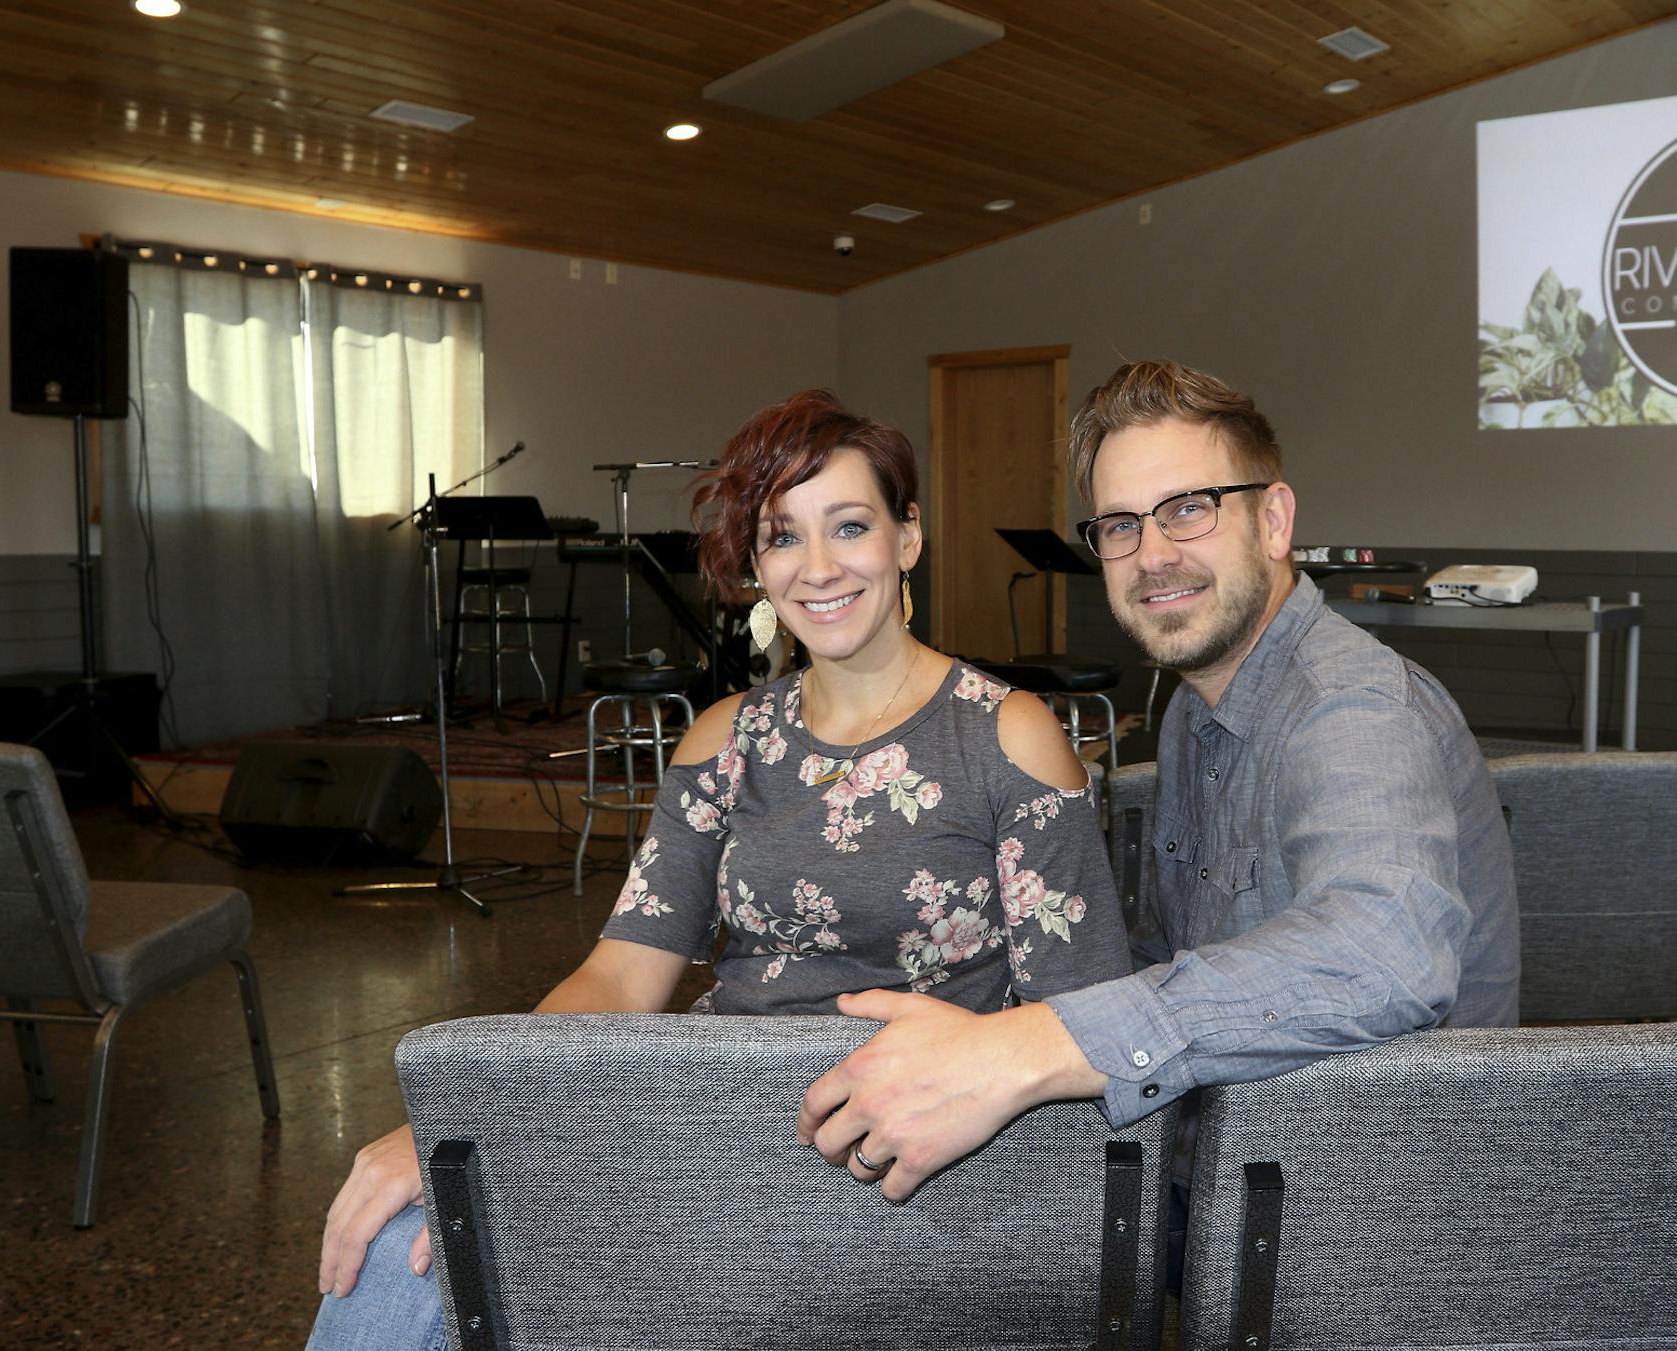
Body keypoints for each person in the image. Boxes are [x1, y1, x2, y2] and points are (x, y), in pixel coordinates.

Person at [308, 390, 1130, 1347]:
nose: (817, 566)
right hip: (716, 1126)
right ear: (758, 565)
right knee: (407, 1237)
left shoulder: (1005, 734)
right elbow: (622, 974)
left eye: (850, 525)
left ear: (908, 537)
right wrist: (464, 1116)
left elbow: (1086, 1019)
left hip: (915, 1151)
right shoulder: (725, 738)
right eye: (783, 536)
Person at [799, 360, 1519, 1202]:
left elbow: (1383, 950)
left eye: (1188, 508)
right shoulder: (1192, 707)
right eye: (1121, 524)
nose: (1153, 555)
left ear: (1274, 520)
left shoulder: (1350, 709)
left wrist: (1030, 1046)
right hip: (1230, 1164)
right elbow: (1183, 958)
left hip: (1365, 1207)